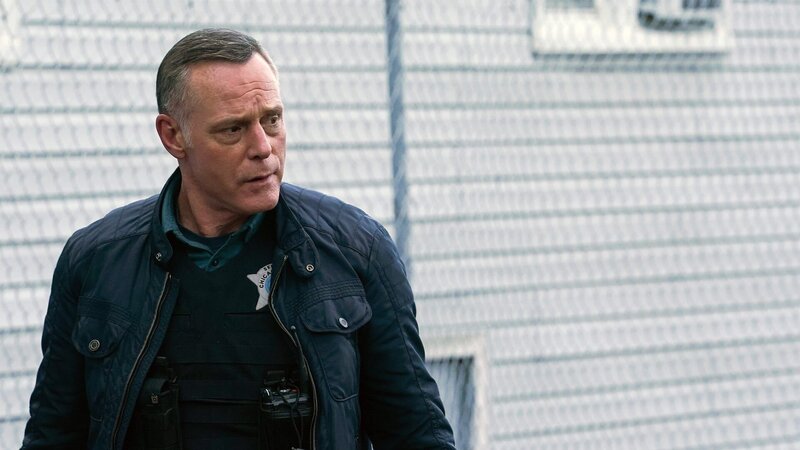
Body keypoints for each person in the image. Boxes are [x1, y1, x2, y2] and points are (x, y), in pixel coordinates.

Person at [21, 28, 456, 450]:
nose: (263, 147)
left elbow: (416, 433)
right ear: (173, 136)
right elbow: (53, 435)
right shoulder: (96, 262)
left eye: (272, 120)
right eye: (233, 129)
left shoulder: (355, 251)